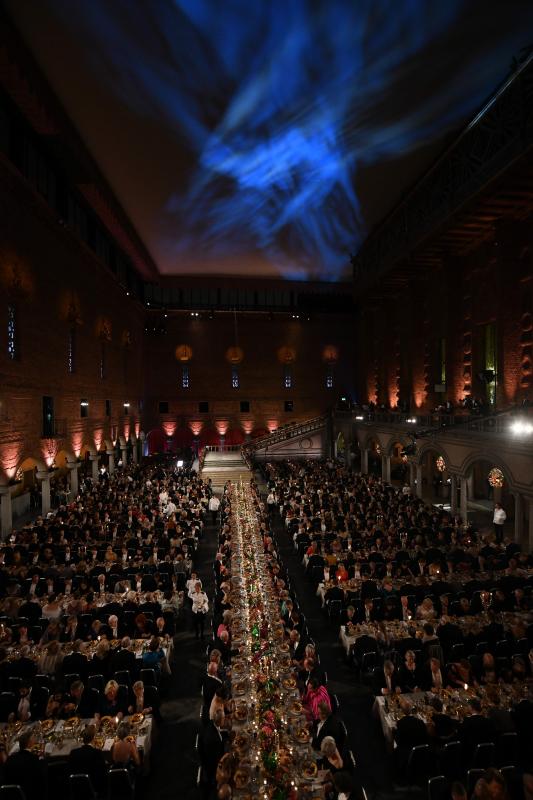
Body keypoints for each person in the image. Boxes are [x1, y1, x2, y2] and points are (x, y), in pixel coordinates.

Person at [4, 728, 46, 800]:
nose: (36, 741)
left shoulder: (10, 759)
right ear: (29, 743)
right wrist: (42, 758)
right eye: (34, 740)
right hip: (30, 795)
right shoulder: (34, 758)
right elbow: (42, 778)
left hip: (11, 795)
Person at [68, 724, 107, 796]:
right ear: (94, 738)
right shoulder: (97, 753)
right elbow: (103, 773)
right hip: (94, 788)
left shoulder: (73, 753)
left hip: (77, 789)